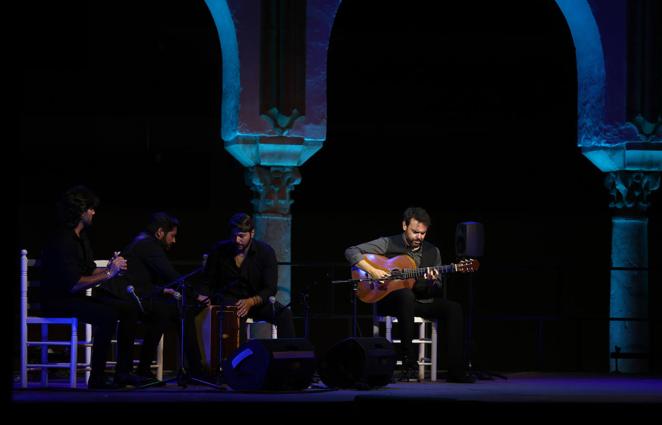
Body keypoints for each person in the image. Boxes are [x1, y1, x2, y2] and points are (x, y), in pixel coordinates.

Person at [39, 185, 153, 389]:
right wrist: (110, 273)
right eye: (90, 208)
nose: (93, 212)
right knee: (106, 315)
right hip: (57, 300)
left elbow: (89, 271)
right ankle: (97, 378)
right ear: (79, 211)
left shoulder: (81, 237)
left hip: (73, 297)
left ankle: (123, 373)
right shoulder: (62, 240)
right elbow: (73, 284)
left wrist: (111, 267)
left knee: (128, 308)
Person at [344, 207, 475, 383]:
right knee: (405, 295)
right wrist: (373, 271)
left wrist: (430, 282)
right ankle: (409, 364)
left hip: (419, 299)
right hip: (389, 299)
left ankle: (456, 370)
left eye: (423, 233)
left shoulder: (433, 251)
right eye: (415, 232)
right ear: (404, 225)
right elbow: (351, 251)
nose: (419, 237)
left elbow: (435, 288)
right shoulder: (388, 242)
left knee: (454, 308)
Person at [106, 212, 210, 381]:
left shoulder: (145, 241)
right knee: (177, 311)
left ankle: (147, 369)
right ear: (160, 232)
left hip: (139, 294)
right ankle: (194, 370)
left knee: (169, 311)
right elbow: (170, 275)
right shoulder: (148, 245)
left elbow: (141, 277)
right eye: (172, 236)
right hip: (130, 298)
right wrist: (196, 295)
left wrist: (162, 290)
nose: (174, 241)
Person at [202, 212, 295, 340]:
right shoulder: (219, 250)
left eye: (241, 236)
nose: (236, 240)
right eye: (233, 235)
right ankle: (236, 358)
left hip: (257, 302)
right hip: (230, 301)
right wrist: (204, 295)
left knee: (284, 314)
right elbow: (207, 280)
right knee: (233, 320)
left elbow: (270, 288)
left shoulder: (265, 252)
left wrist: (251, 302)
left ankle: (288, 357)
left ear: (252, 233)